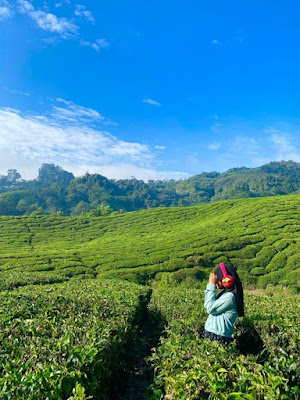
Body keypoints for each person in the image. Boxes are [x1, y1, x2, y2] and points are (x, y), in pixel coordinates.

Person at [203, 263, 244, 344]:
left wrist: (211, 286)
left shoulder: (229, 297)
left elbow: (210, 308)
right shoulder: (226, 294)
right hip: (215, 334)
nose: (216, 282)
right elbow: (209, 304)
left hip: (217, 336)